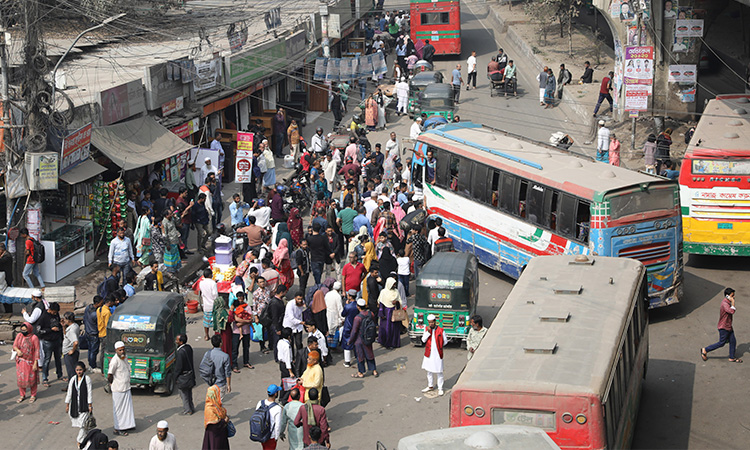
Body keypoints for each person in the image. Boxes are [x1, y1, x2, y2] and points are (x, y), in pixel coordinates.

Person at [702, 288, 741, 363]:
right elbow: (731, 311)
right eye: (732, 296)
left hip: (728, 326)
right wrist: (733, 302)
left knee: (733, 341)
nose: (734, 297)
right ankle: (706, 350)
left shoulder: (727, 302)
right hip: (724, 327)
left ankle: (732, 357)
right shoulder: (725, 304)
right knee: (721, 343)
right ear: (727, 296)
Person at [108, 341, 136, 436]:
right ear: (116, 350)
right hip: (118, 389)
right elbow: (110, 374)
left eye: (123, 349)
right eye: (120, 350)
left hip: (126, 387)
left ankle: (128, 425)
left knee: (127, 408)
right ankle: (118, 428)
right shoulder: (114, 360)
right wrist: (111, 383)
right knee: (119, 410)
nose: (122, 351)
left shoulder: (125, 357)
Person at [65, 361, 93, 446]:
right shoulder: (73, 379)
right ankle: (86, 438)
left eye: (80, 370)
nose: (79, 372)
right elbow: (69, 392)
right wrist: (67, 404)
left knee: (83, 424)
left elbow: (89, 392)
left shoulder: (87, 379)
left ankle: (79, 441)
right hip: (75, 405)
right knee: (83, 424)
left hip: (84, 405)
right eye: (77, 370)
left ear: (84, 370)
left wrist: (90, 405)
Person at [348, 298, 378, 378]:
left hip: (359, 339)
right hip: (368, 337)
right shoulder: (370, 313)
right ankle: (374, 370)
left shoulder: (357, 318)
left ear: (358, 307)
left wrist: (350, 340)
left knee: (360, 355)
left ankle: (361, 372)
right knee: (369, 353)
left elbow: (354, 331)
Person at [421, 314, 448, 396]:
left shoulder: (441, 330)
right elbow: (423, 340)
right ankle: (430, 386)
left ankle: (440, 388)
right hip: (428, 354)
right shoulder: (426, 329)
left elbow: (445, 341)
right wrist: (428, 332)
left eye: (432, 322)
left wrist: (439, 345)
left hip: (437, 354)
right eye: (429, 322)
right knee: (429, 371)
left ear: (435, 322)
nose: (431, 324)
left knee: (439, 372)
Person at [38, 301, 63, 386]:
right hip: (47, 342)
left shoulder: (56, 315)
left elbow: (59, 325)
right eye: (54, 312)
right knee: (47, 360)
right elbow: (39, 331)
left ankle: (60, 375)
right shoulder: (43, 317)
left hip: (57, 340)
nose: (55, 314)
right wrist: (50, 330)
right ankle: (45, 378)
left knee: (58, 359)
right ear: (50, 310)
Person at [14, 322, 40, 403]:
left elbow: (37, 351)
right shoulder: (19, 336)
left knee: (32, 379)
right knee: (21, 378)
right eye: (22, 330)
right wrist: (18, 351)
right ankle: (22, 394)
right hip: (21, 362)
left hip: (30, 362)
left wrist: (35, 363)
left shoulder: (34, 338)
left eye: (25, 330)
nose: (23, 332)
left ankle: (33, 394)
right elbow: (14, 346)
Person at [172, 334, 197, 416]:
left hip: (183, 377)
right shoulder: (188, 348)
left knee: (184, 394)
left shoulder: (180, 353)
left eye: (177, 340)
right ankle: (191, 407)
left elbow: (178, 368)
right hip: (190, 375)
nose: (176, 341)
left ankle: (187, 410)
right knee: (189, 393)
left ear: (181, 342)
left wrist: (175, 377)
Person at [203, 384, 230, 450]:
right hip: (215, 436)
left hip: (221, 434)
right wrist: (224, 421)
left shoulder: (216, 405)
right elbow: (214, 426)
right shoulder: (210, 409)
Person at [256, 384, 283, 449]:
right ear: (276, 394)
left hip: (261, 433)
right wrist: (276, 438)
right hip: (271, 436)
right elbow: (277, 425)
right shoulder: (277, 408)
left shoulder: (260, 403)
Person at [378, 277, 403, 349]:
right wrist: (381, 314)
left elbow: (400, 301)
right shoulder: (383, 292)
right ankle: (385, 343)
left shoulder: (396, 292)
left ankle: (393, 343)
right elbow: (381, 303)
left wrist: (397, 303)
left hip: (393, 312)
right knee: (386, 328)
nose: (394, 286)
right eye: (393, 284)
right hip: (386, 313)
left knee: (393, 329)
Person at [83, 296, 103, 372]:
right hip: (94, 334)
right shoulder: (95, 314)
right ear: (97, 303)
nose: (102, 303)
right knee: (93, 351)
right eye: (101, 302)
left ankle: (90, 364)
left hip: (88, 332)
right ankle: (92, 366)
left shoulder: (88, 308)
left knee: (90, 350)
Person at [200, 268, 219, 341]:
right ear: (210, 275)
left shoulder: (201, 283)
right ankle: (215, 336)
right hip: (213, 305)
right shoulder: (213, 283)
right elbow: (215, 295)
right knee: (215, 322)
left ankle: (206, 335)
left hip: (206, 305)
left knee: (206, 322)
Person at [62, 311, 80, 384]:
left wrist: (72, 350)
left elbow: (75, 342)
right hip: (70, 351)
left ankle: (72, 387)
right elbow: (66, 334)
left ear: (69, 320)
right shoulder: (74, 326)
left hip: (70, 353)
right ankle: (70, 386)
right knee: (71, 371)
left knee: (71, 371)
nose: (64, 320)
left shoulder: (72, 330)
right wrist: (63, 326)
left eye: (65, 319)